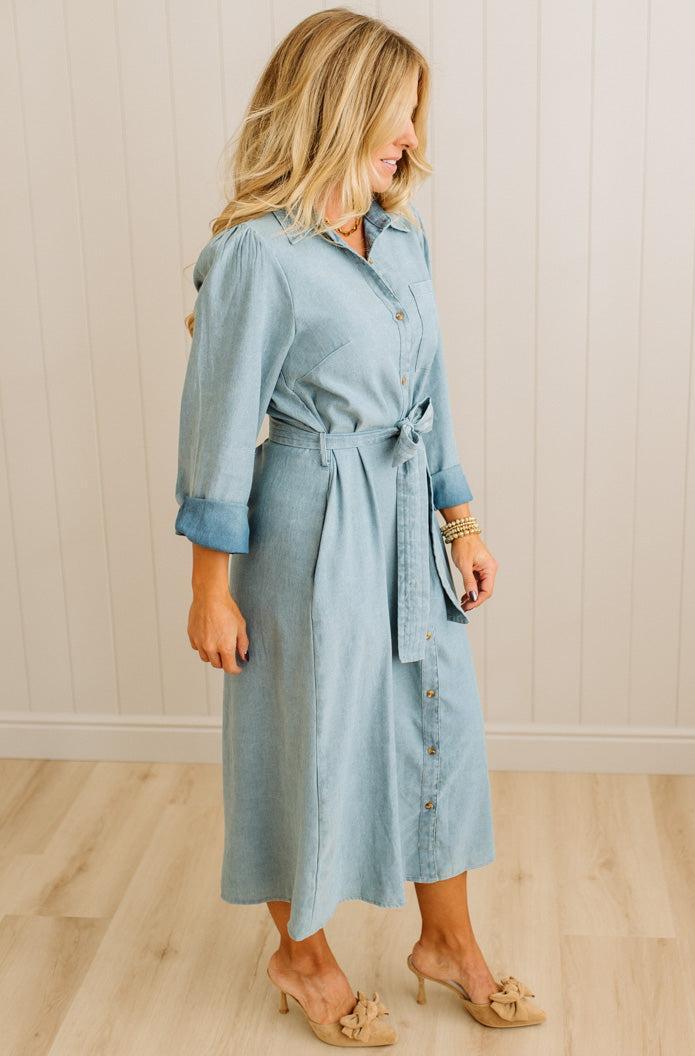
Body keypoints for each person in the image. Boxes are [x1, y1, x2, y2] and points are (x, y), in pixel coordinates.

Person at [174, 7, 546, 1047]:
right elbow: (215, 435)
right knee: (304, 738)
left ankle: (448, 945)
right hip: (302, 524)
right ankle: (300, 955)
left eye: (416, 119)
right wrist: (209, 589)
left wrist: (458, 520)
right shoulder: (256, 255)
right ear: (334, 108)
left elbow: (429, 396)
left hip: (400, 523)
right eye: (396, 115)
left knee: (437, 722)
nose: (411, 140)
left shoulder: (399, 242)